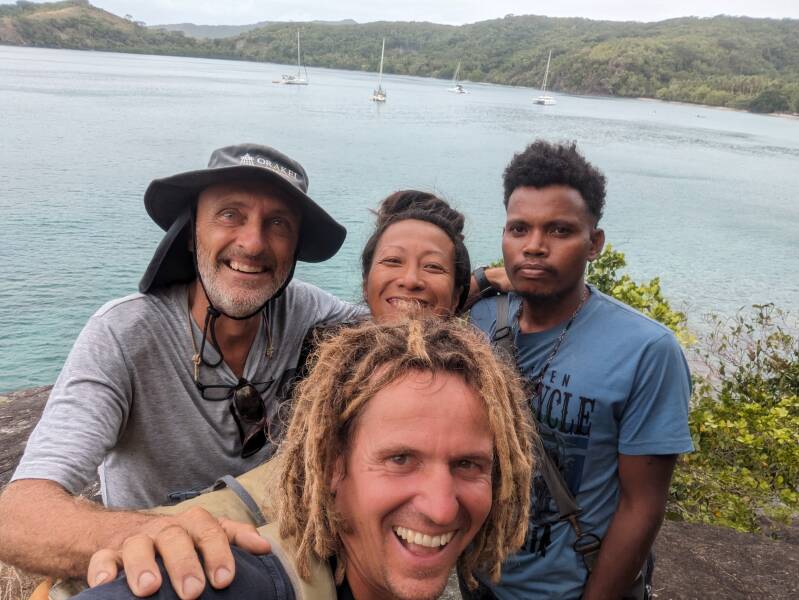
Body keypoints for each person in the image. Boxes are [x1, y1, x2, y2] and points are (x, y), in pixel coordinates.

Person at [0, 143, 365, 583]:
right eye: (230, 214)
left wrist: (469, 281)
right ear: (191, 234)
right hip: (161, 574)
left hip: (273, 557)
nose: (252, 243)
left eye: (278, 224)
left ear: (295, 249)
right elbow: (19, 517)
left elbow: (394, 324)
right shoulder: (124, 334)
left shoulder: (303, 310)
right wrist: (160, 536)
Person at [76, 318, 535, 600]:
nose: (441, 508)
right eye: (400, 459)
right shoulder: (257, 578)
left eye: (468, 465)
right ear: (334, 465)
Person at [469, 140, 693, 599]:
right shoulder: (477, 322)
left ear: (594, 244)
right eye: (519, 228)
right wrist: (478, 279)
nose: (534, 247)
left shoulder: (646, 350)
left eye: (559, 230)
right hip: (480, 580)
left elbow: (642, 504)